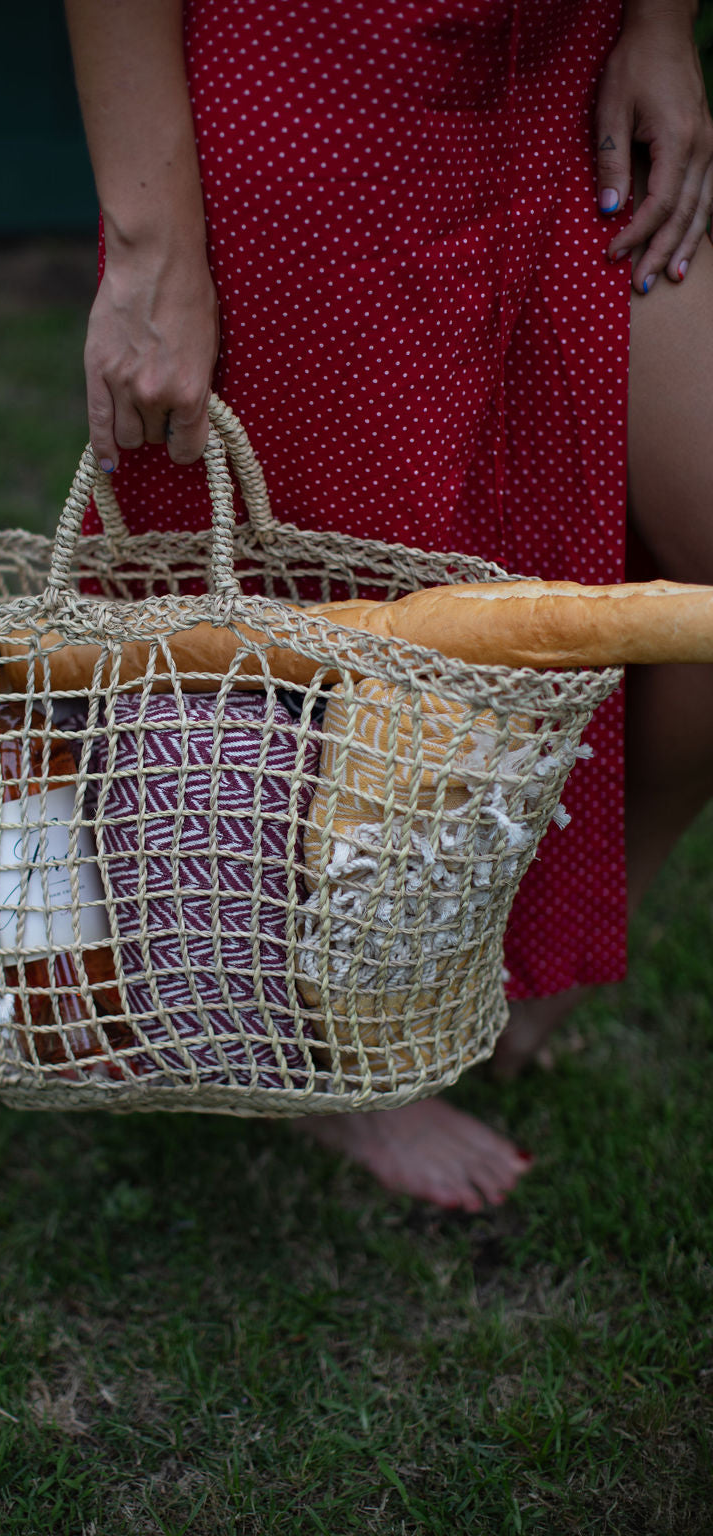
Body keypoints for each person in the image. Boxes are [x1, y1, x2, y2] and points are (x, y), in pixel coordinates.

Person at [63, 0, 713, 1211]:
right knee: (344, 633)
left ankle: (539, 946)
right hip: (328, 90)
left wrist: (663, 24)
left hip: (572, 90)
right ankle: (339, 1061)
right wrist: (153, 246)